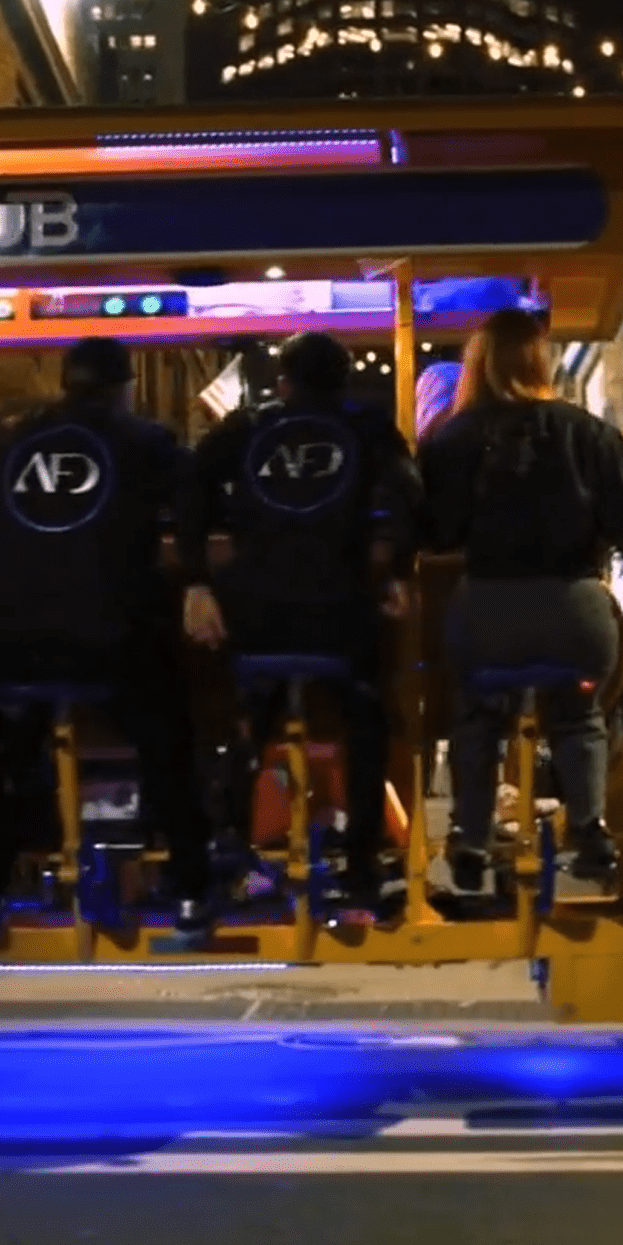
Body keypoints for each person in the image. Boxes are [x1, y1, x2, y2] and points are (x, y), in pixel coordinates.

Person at [0, 338, 210, 935]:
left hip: (10, 638)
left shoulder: (8, 439)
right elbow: (197, 500)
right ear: (125, 387)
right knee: (170, 736)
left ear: (65, 383)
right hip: (111, 637)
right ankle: (189, 888)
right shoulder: (146, 442)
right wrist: (194, 577)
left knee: (11, 747)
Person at [179, 331, 417, 920]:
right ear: (343, 381)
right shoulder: (366, 426)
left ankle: (230, 848)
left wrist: (195, 578)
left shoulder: (248, 427)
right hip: (340, 610)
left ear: (283, 382)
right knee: (366, 715)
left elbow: (189, 487)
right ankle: (362, 863)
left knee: (249, 717)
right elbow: (410, 494)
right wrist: (400, 570)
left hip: (256, 615)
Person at [419, 308, 623, 892]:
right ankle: (590, 831)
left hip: (490, 603)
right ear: (538, 361)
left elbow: (437, 530)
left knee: (477, 715)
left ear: (480, 364)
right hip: (574, 605)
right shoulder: (589, 431)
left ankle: (471, 837)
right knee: (580, 714)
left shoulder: (454, 436)